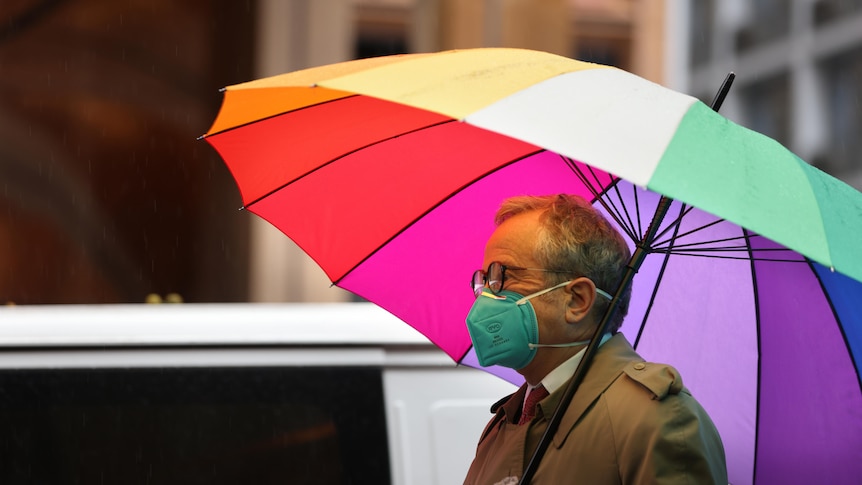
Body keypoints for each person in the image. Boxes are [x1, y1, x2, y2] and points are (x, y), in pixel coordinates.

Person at [463, 194, 727, 484]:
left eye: (503, 276)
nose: (487, 295)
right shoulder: (504, 423)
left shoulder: (655, 421)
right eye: (485, 279)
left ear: (577, 300)